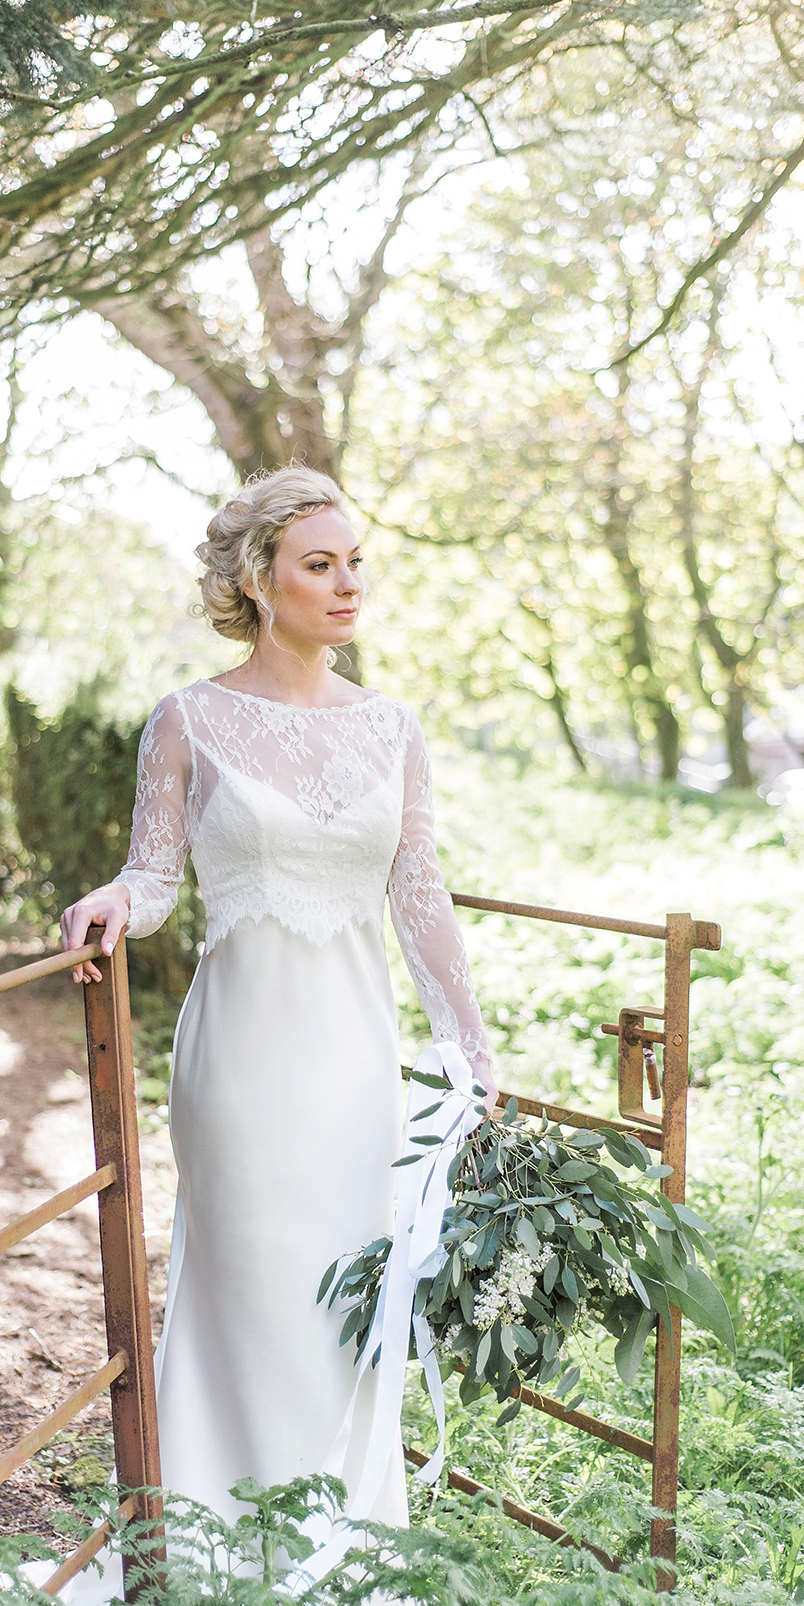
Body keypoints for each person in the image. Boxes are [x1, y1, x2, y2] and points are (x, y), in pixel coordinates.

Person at [60, 466, 494, 1531]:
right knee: (251, 1291)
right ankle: (218, 1542)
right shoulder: (188, 720)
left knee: (347, 1298)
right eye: (320, 564)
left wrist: (469, 1047)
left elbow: (418, 888)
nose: (348, 585)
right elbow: (156, 878)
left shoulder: (392, 726)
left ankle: (341, 1549)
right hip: (242, 1063)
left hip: (356, 1064)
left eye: (355, 563)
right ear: (260, 581)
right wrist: (114, 897)